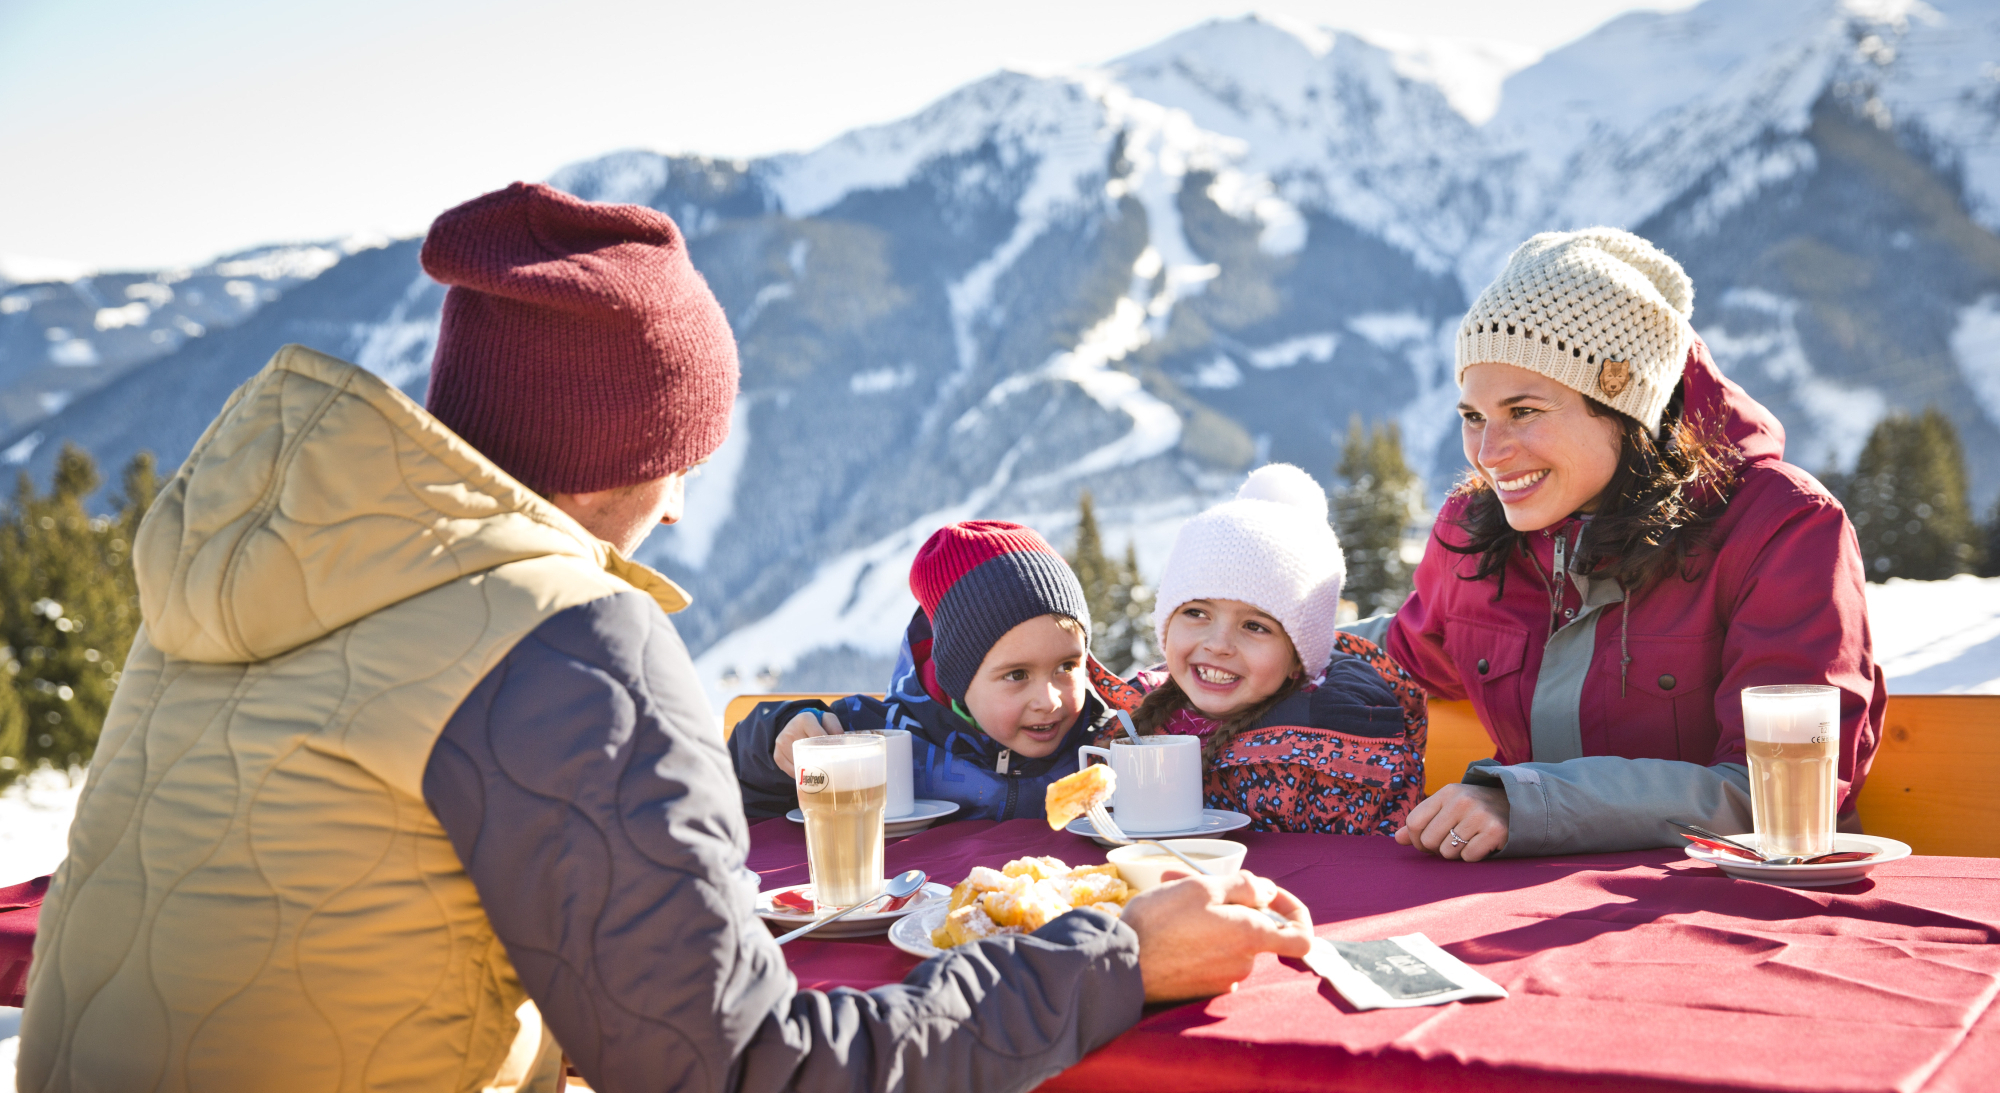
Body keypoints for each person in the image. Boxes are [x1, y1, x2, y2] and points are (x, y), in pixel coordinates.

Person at [18, 183, 1312, 1093]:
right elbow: (752, 1067)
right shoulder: (558, 636)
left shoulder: (248, 574)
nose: (686, 502)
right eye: (683, 453)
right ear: (624, 447)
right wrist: (1115, 955)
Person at [1350, 228, 1886, 862]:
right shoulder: (1478, 531)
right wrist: (1252, 636)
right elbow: (1404, 653)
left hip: (1742, 911)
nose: (1489, 454)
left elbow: (1780, 795)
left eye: (1524, 410)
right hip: (1530, 912)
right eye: (1473, 416)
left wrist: (1526, 802)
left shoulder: (1782, 527)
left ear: (1628, 407)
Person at [732, 520, 1119, 821]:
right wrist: (776, 741)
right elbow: (734, 786)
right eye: (1017, 675)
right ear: (957, 678)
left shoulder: (1107, 741)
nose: (1049, 700)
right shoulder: (877, 740)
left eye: (1067, 666)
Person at [1126, 464, 1427, 833]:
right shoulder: (1134, 717)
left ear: (1297, 659)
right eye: (1196, 612)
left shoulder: (1335, 758)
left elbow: (1364, 870)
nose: (1219, 645)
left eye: (1255, 626)